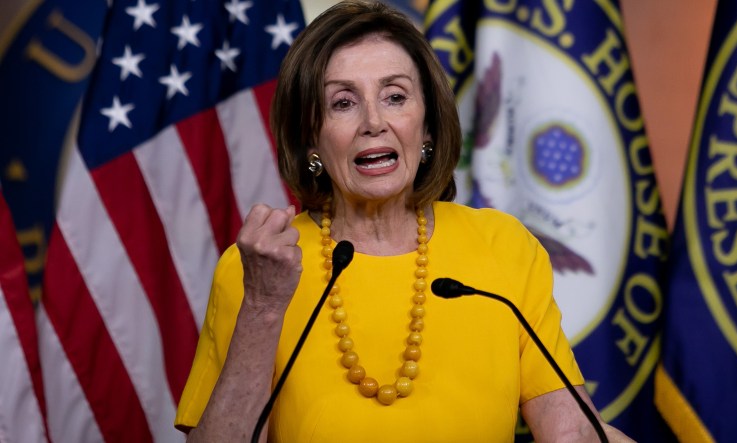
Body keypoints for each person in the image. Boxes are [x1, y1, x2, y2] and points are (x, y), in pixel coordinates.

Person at [175, 1, 634, 442]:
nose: (374, 122)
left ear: (428, 126)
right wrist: (264, 306)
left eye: (395, 96)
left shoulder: (502, 247)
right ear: (310, 139)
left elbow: (570, 432)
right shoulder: (259, 270)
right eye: (342, 103)